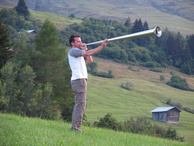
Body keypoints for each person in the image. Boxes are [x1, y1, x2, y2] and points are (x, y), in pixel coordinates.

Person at [68, 34, 109, 132]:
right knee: (80, 105)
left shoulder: (78, 53)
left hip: (80, 81)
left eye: (80, 41)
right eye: (78, 41)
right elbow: (89, 53)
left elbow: (90, 60)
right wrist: (102, 46)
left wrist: (85, 49)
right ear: (72, 43)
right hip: (79, 80)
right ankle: (76, 128)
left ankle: (75, 127)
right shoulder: (73, 51)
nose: (80, 43)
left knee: (80, 104)